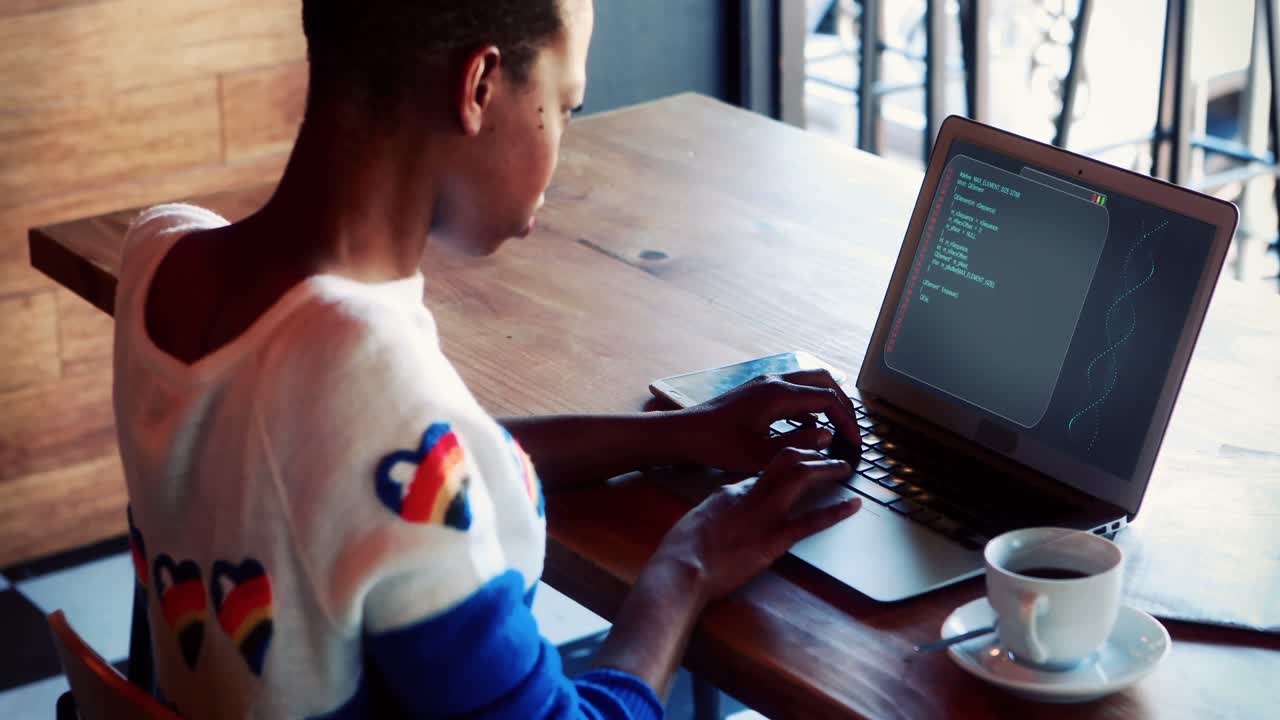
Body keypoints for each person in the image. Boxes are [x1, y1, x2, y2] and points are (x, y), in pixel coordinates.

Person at [115, 1, 862, 718]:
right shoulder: (368, 377)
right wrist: (687, 565)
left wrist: (681, 433)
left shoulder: (161, 258)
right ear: (479, 87)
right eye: (565, 107)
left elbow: (395, 473)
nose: (563, 141)